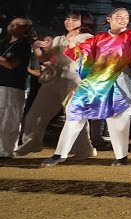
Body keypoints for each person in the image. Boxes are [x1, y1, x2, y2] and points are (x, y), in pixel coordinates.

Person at [41, 9, 131, 166]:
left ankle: (121, 157)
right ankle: (60, 154)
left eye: (126, 17)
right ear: (109, 19)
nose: (123, 19)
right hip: (93, 82)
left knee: (118, 120)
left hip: (118, 81)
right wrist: (74, 46)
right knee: (74, 113)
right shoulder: (98, 39)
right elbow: (81, 55)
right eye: (119, 17)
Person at [16, 12, 96, 158]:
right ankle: (31, 142)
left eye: (74, 19)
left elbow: (83, 57)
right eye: (67, 18)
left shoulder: (87, 38)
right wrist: (37, 48)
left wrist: (72, 44)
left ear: (84, 22)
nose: (69, 22)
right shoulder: (59, 38)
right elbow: (47, 58)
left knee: (74, 115)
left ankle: (83, 148)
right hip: (55, 78)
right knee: (37, 112)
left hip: (74, 79)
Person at [0, 17, 35, 157]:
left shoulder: (23, 45)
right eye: (11, 24)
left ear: (25, 28)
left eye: (17, 25)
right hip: (1, 85)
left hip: (13, 86)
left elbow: (11, 64)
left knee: (10, 120)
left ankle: (6, 151)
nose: (12, 26)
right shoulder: (3, 43)